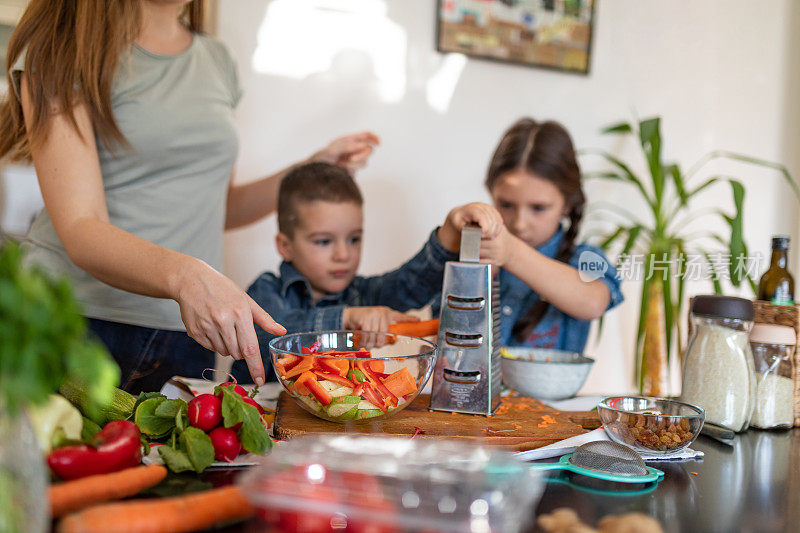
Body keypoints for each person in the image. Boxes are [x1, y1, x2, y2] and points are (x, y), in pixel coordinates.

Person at [0, 0, 379, 393]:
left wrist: (309, 167)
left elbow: (220, 206)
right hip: (74, 321)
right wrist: (188, 276)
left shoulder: (216, 60)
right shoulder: (62, 46)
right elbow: (80, 227)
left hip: (185, 333)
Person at [230, 161, 503, 383]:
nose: (343, 254)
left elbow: (409, 283)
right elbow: (271, 337)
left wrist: (448, 235)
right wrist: (346, 319)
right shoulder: (264, 291)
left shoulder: (362, 293)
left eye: (354, 239)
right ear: (285, 246)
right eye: (324, 241)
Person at [434, 118, 623, 353]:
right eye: (506, 204)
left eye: (538, 208)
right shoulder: (469, 252)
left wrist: (511, 253)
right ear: (490, 191)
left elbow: (594, 302)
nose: (520, 224)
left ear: (567, 204)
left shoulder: (584, 257)